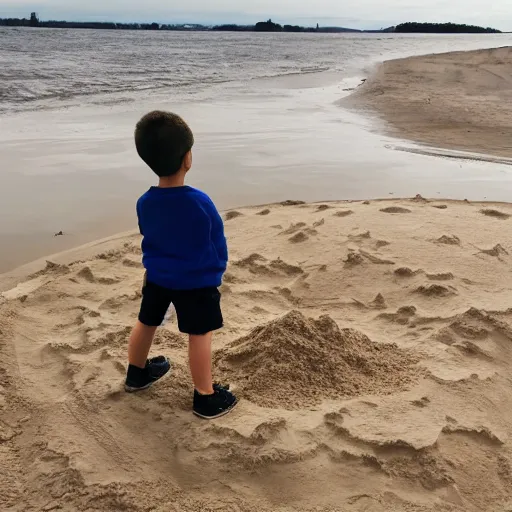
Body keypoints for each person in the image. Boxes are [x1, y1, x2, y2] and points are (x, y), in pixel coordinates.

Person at [124, 110, 238, 420]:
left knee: (146, 321)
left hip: (158, 277)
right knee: (199, 334)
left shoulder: (145, 201)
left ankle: (136, 374)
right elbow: (214, 239)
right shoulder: (199, 201)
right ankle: (205, 396)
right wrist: (217, 269)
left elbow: (149, 235)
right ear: (187, 158)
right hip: (196, 283)